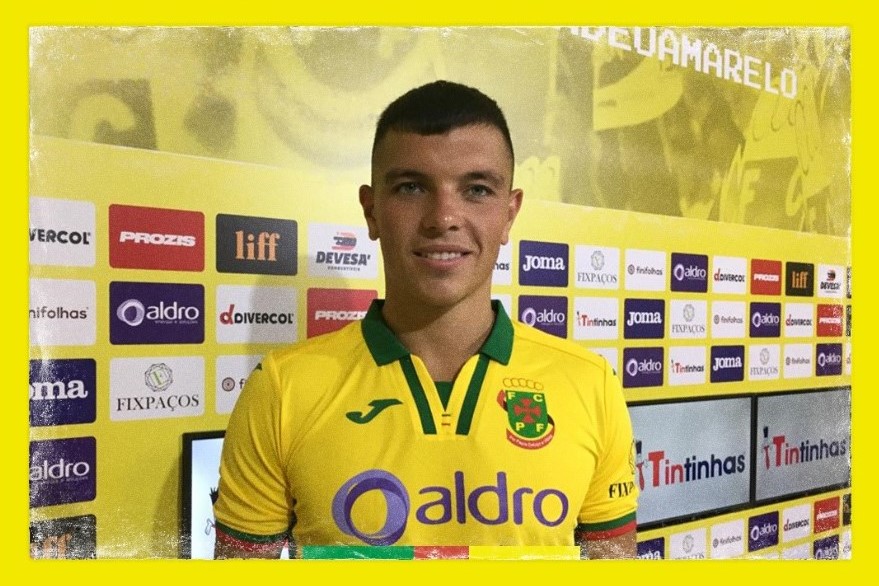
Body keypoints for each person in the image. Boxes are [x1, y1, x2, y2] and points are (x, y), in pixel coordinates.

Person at [213, 80, 638, 559]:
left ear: (509, 214)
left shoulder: (590, 383)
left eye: (476, 190)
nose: (443, 218)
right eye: (411, 187)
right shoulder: (281, 389)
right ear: (372, 210)